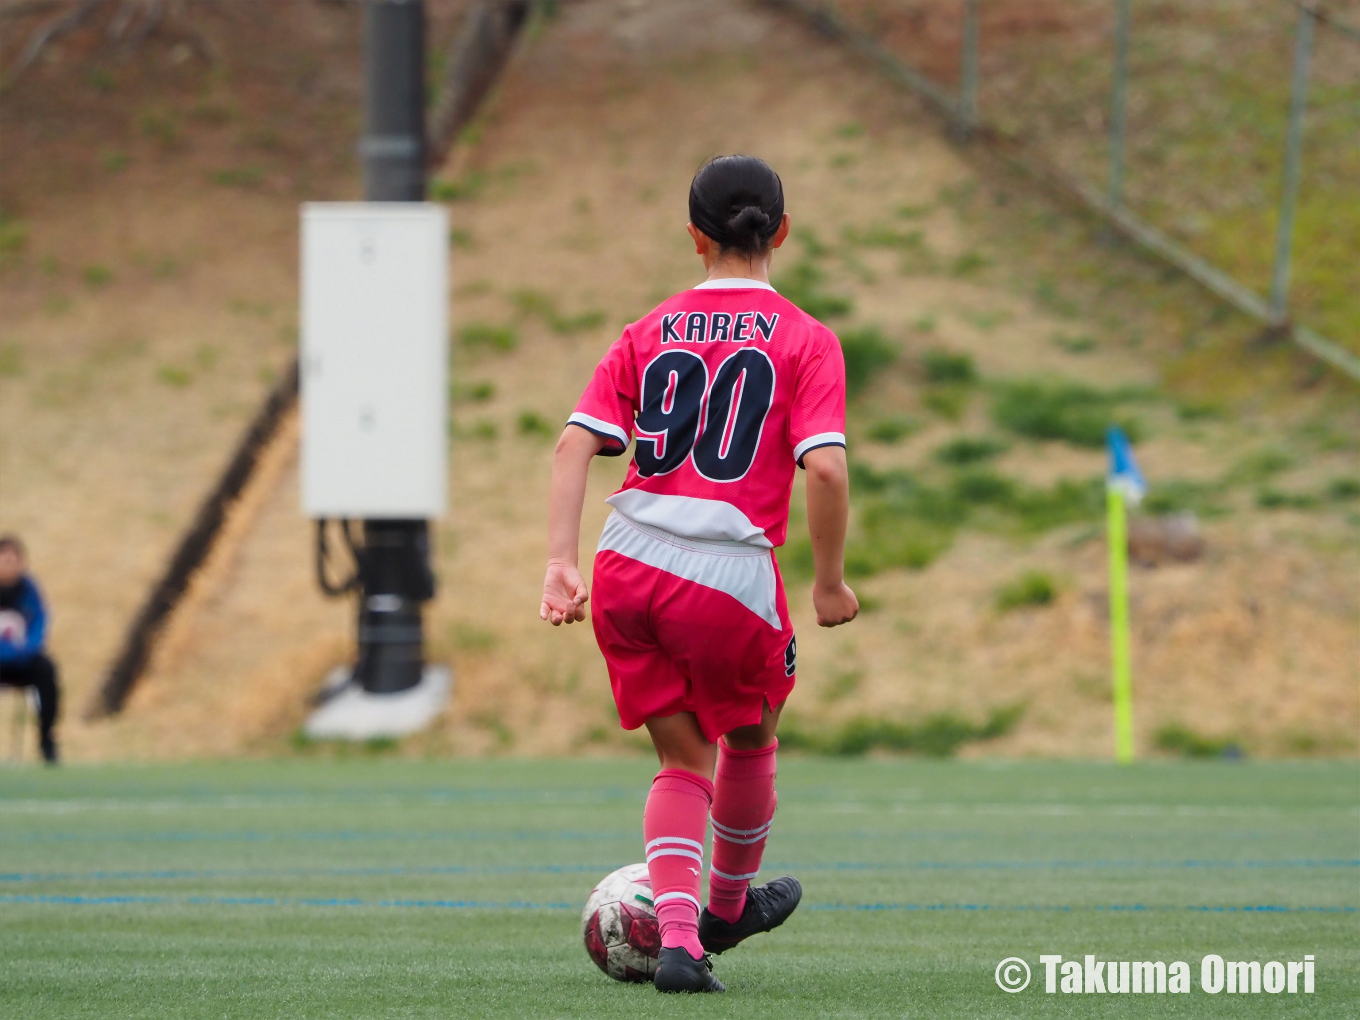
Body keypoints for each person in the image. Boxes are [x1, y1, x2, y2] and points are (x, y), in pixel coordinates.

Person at [540, 155, 857, 993]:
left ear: (694, 237)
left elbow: (575, 443)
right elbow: (824, 469)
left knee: (681, 760)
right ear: (781, 232)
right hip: (726, 570)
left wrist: (558, 564)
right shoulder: (807, 339)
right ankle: (723, 909)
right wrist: (828, 583)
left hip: (627, 559)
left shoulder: (647, 331)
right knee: (750, 738)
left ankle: (678, 947)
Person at [0, 535, 60, 764]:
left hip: (21, 661)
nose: (8, 564)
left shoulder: (29, 590)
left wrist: (25, 650)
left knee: (46, 669)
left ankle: (47, 738)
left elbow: (39, 624)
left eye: (12, 559)